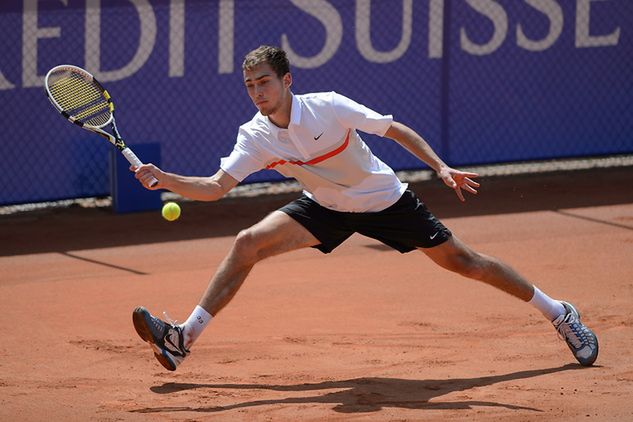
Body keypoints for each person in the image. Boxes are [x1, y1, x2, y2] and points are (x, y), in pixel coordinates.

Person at [130, 45, 598, 371]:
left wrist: (440, 167)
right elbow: (215, 187)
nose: (257, 92)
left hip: (383, 199)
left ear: (287, 80)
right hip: (326, 206)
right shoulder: (254, 135)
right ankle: (182, 338)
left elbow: (393, 129)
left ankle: (559, 312)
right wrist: (166, 179)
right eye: (250, 85)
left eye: (265, 82)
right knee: (246, 243)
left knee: (465, 262)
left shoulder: (329, 107)